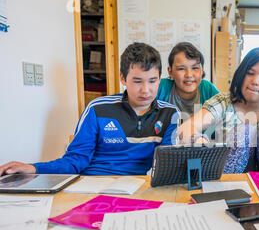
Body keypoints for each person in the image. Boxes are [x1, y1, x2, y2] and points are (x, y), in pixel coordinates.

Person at [0, 42, 179, 176]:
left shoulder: (170, 114)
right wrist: (34, 168)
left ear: (160, 78)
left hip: (141, 188)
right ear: (123, 79)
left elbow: (165, 164)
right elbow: (75, 160)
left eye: (153, 81)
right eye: (137, 81)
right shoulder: (97, 109)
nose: (146, 90)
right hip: (94, 185)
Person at [177, 47, 259, 174]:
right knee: (243, 132)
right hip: (231, 182)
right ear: (241, 73)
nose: (255, 81)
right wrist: (200, 141)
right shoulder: (223, 102)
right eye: (250, 73)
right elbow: (186, 128)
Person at [157, 42, 219, 119]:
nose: (189, 75)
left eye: (195, 68)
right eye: (181, 69)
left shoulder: (208, 90)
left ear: (202, 70)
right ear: (170, 71)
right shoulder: (160, 87)